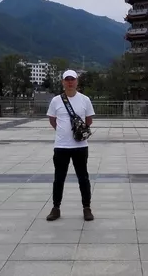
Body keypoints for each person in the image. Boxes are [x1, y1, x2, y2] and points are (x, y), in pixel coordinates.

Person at [45, 69, 95, 221]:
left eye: (72, 79)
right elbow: (52, 120)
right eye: (67, 79)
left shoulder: (85, 99)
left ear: (77, 81)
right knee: (59, 178)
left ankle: (87, 207)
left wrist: (78, 133)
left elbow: (89, 120)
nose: (70, 82)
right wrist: (63, 132)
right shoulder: (56, 101)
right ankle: (56, 207)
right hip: (61, 146)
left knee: (83, 178)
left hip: (80, 146)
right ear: (63, 82)